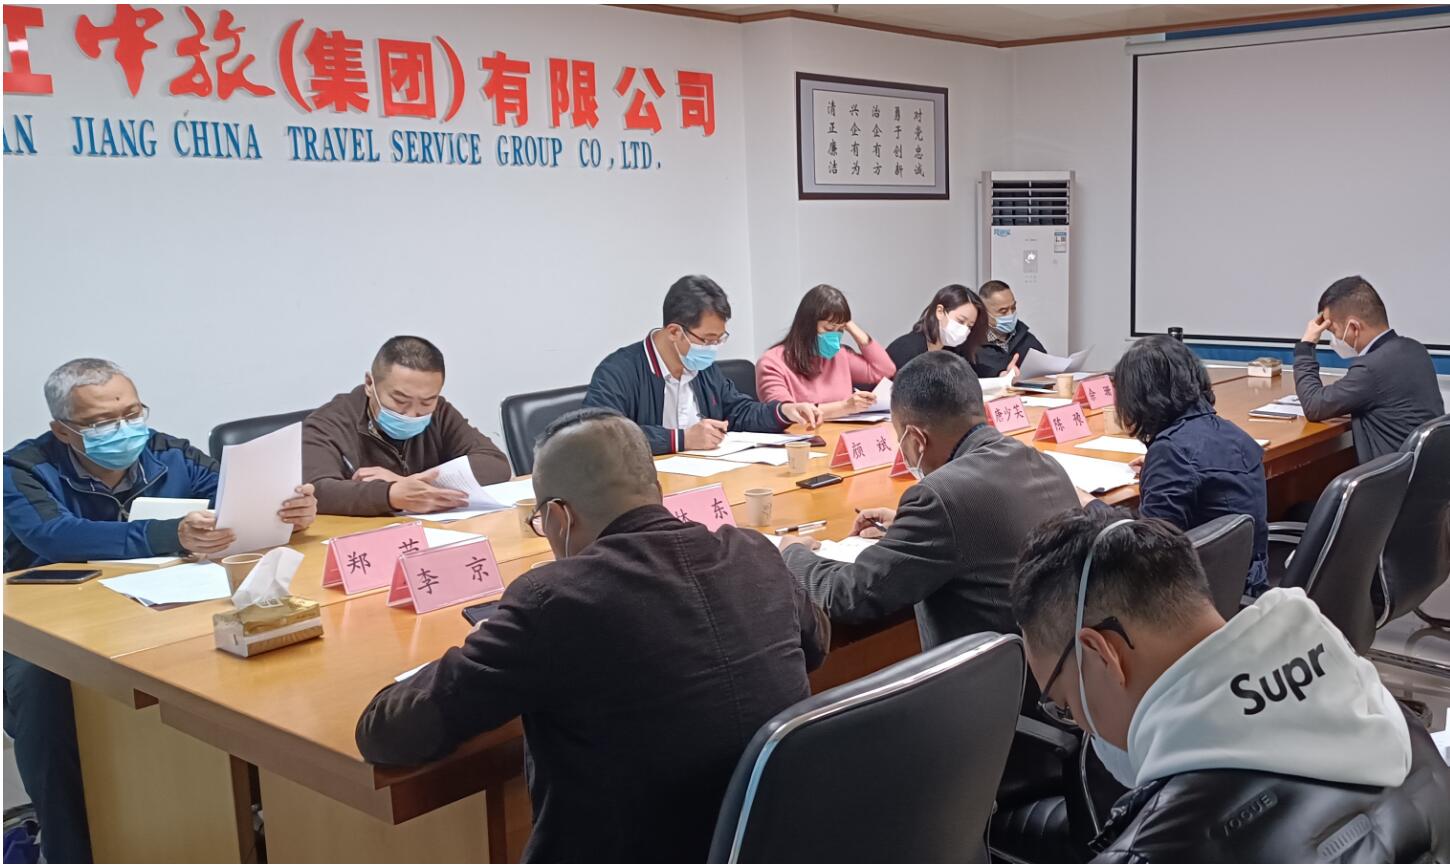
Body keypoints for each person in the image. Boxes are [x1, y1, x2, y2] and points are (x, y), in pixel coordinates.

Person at [355, 408, 829, 861]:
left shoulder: (555, 600)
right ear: (655, 489)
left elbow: (389, 732)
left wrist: (481, 646)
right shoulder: (754, 552)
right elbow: (817, 646)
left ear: (558, 517)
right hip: (767, 847)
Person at [3, 358, 317, 864]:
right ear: (62, 430)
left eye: (132, 413)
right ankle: (68, 849)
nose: (124, 429)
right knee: (45, 705)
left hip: (162, 606)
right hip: (50, 624)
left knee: (251, 662)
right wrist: (168, 534)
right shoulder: (23, 468)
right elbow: (53, 536)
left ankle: (236, 825)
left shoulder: (170, 452)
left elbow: (233, 498)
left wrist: (289, 509)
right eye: (101, 423)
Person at [1012, 507, 1450, 862]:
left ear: (1101, 653)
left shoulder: (1151, 852)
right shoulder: (1387, 714)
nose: (1080, 724)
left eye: (1065, 703)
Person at [778, 351, 1078, 649]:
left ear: (916, 439)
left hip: (990, 674)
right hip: (1058, 660)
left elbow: (849, 596)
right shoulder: (1044, 462)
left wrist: (792, 555)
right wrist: (909, 528)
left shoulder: (940, 498)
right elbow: (979, 525)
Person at [1090, 334, 1268, 595]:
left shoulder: (1171, 453)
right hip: (1243, 583)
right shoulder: (1234, 434)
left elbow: (1146, 555)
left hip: (1193, 596)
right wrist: (1160, 467)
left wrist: (1091, 505)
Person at [583, 275, 823, 455]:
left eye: (719, 339)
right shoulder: (619, 371)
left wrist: (783, 411)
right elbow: (602, 436)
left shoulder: (702, 368)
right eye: (707, 339)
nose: (712, 348)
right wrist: (682, 439)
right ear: (674, 332)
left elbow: (738, 412)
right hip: (644, 489)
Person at [303, 335, 511, 516]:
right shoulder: (328, 423)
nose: (412, 414)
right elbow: (317, 489)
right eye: (400, 400)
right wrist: (390, 494)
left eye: (426, 402)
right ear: (369, 384)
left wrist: (406, 483)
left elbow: (494, 463)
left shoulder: (440, 412)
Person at [1296, 275, 1444, 463]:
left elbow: (1314, 405)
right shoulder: (1415, 349)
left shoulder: (1371, 368)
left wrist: (1306, 346)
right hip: (1426, 472)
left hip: (1393, 478)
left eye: (1333, 331)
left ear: (1354, 327)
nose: (1334, 339)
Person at [755, 284, 896, 420]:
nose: (835, 336)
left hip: (842, 432)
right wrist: (845, 407)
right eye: (829, 329)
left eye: (840, 329)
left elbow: (885, 370)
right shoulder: (772, 362)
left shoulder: (840, 356)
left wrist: (851, 326)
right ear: (807, 325)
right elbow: (785, 413)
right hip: (802, 435)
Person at [885, 283, 989, 371]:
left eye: (970, 326)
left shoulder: (952, 352)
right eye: (960, 321)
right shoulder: (907, 349)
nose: (964, 330)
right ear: (940, 312)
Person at [976, 280, 1047, 378]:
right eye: (1003, 311)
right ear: (983, 312)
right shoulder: (972, 344)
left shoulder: (1024, 336)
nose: (1010, 314)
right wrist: (1001, 375)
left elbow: (1045, 364)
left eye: (1013, 308)